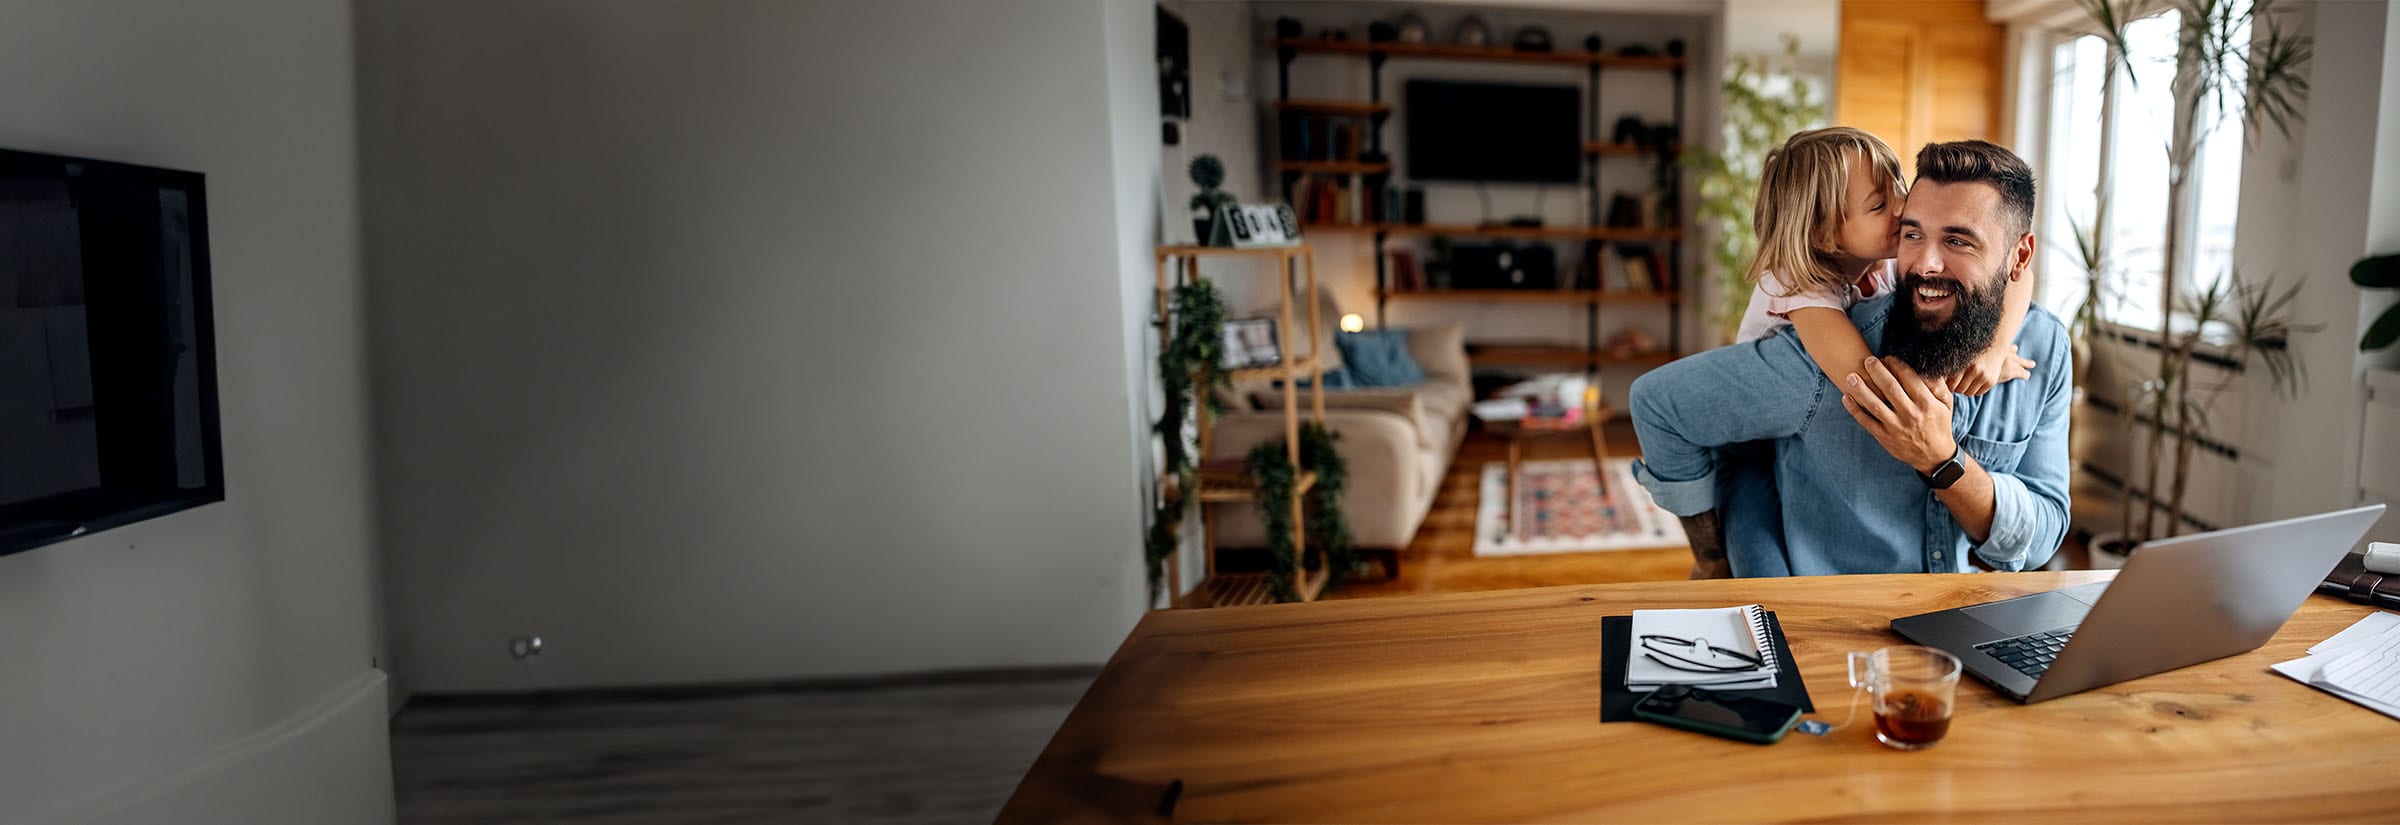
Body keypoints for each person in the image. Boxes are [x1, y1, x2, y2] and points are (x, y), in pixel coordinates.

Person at [1631, 140, 2071, 576]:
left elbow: (2041, 540)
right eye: (1912, 232)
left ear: (2019, 254)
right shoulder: (1815, 321)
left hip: (1968, 621)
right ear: (1827, 233)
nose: (1924, 262)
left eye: (1958, 240)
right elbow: (1871, 385)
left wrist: (1992, 351)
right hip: (1760, 487)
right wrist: (1710, 557)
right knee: (1756, 563)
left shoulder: (2042, 346)